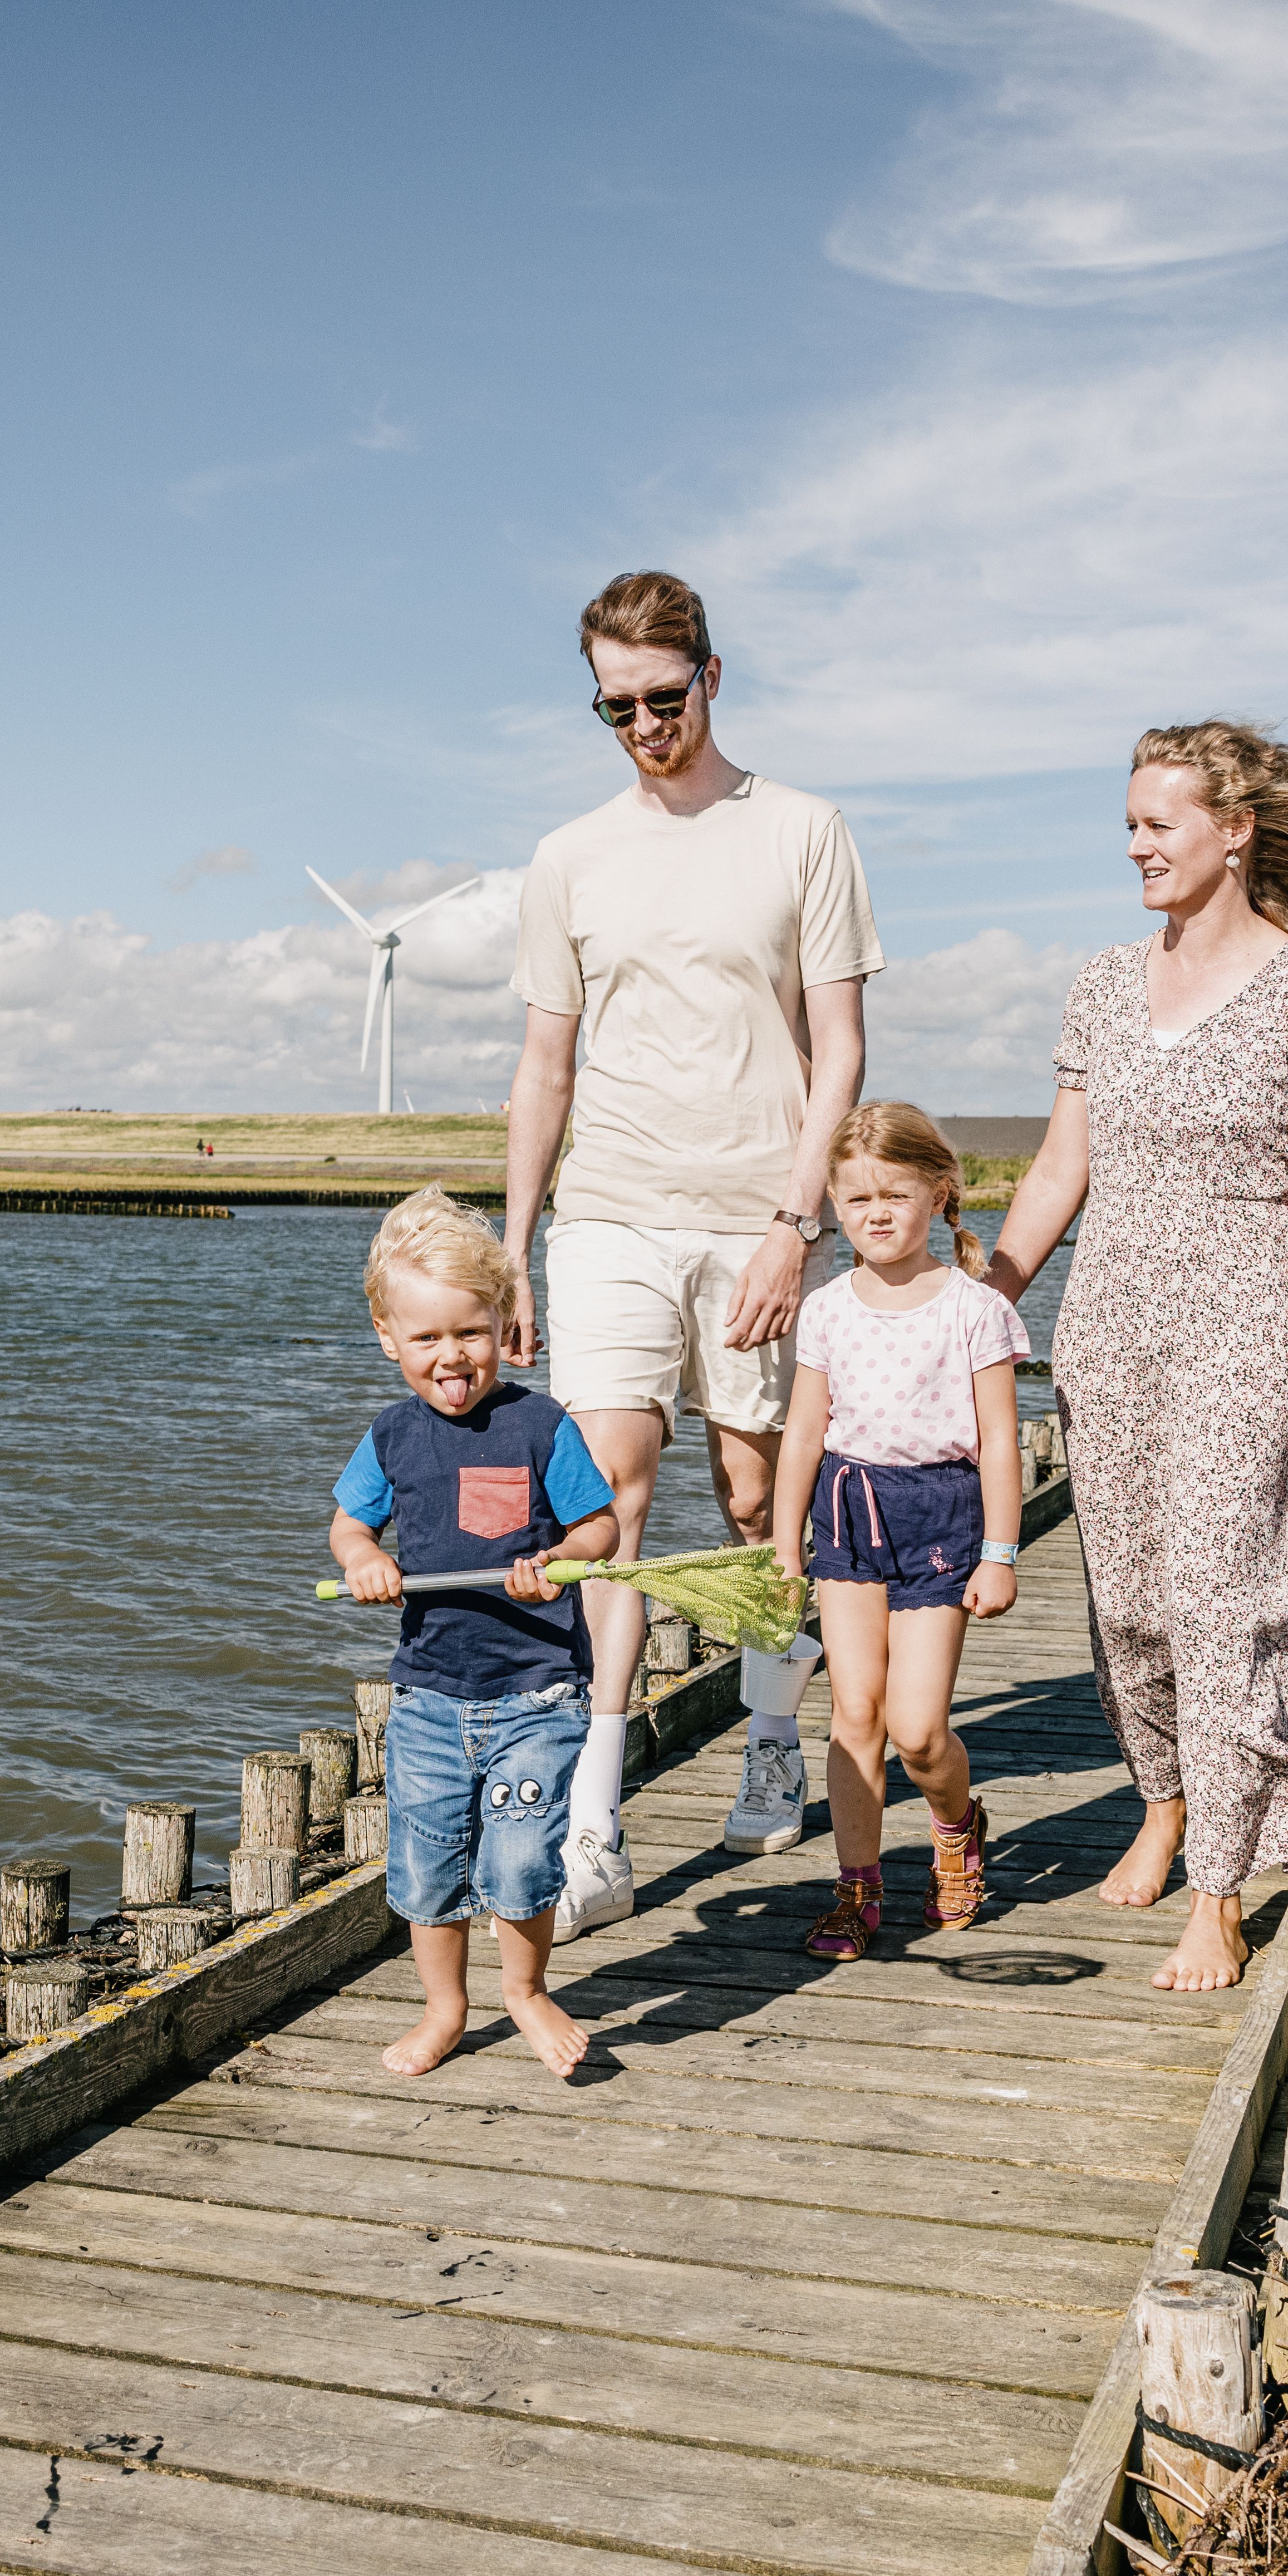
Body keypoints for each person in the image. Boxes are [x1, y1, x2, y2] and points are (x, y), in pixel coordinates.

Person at [984, 720, 1288, 1995]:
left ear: (1234, 830)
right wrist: (982, 1307)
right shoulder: (1103, 982)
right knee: (1129, 1599)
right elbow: (1062, 1167)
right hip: (1107, 1324)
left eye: (1158, 823)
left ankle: (1218, 1885)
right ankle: (1159, 1798)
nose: (1136, 846)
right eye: (1128, 825)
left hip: (1246, 1317)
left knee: (1222, 1598)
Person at [505, 570, 881, 1931]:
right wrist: (511, 1242)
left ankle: (771, 1729)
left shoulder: (800, 830)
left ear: (712, 677)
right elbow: (544, 1064)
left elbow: (836, 1044)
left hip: (754, 1211)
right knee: (605, 1500)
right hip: (606, 1207)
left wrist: (796, 1222)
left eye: (664, 699)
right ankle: (593, 1819)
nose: (645, 729)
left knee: (745, 1500)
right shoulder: (568, 856)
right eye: (615, 710)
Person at [327, 1188, 620, 2079]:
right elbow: (348, 1524)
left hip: (539, 1691)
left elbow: (601, 1529)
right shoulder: (391, 1436)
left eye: (471, 1332)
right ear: (388, 1338)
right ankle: (445, 2008)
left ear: (502, 1323)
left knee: (525, 1853)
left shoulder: (539, 1425)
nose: (452, 1357)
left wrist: (563, 1559)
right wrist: (363, 1560)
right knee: (426, 1859)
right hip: (428, 1694)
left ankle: (525, 1991)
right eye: (427, 1339)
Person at [770, 1104, 1029, 1958]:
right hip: (847, 1513)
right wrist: (783, 1543)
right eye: (856, 1200)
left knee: (918, 1729)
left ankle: (956, 1828)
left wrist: (999, 1553)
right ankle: (857, 1886)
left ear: (939, 1194)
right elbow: (805, 1433)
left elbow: (998, 1440)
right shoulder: (827, 1309)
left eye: (895, 1194)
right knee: (855, 1714)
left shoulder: (974, 1308)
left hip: (941, 1519)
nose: (876, 1214)